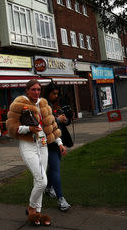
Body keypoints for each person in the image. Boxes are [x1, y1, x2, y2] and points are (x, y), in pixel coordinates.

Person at [6, 79, 62, 226]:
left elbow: (52, 126)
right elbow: (11, 128)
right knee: (42, 181)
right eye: (33, 90)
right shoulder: (19, 103)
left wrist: (59, 142)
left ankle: (37, 214)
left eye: (38, 89)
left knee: (38, 180)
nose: (36, 92)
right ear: (27, 90)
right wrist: (28, 129)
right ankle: (31, 207)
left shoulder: (43, 103)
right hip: (28, 145)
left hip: (43, 145)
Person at [43, 82, 72, 211]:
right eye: (53, 93)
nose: (56, 96)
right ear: (47, 93)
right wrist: (58, 119)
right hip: (50, 141)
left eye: (57, 93)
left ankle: (49, 188)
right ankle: (61, 199)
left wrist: (66, 120)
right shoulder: (43, 105)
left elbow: (66, 120)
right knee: (55, 169)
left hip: (59, 139)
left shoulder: (57, 103)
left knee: (54, 167)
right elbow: (44, 122)